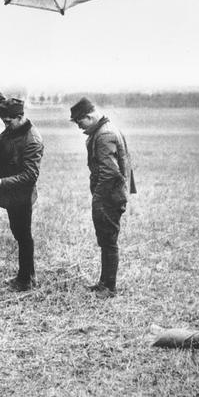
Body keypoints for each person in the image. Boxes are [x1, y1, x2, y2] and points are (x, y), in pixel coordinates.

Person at [0, 62, 44, 291]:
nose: (5, 124)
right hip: (9, 192)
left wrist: (1, 182)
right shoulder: (11, 118)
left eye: (8, 121)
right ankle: (28, 275)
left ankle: (26, 279)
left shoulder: (32, 140)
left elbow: (30, 175)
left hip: (22, 194)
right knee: (18, 233)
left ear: (20, 117)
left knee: (23, 236)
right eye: (3, 120)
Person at [70, 97, 136, 299]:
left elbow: (110, 173)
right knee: (107, 240)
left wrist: (97, 199)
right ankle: (104, 283)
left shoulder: (104, 135)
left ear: (89, 117)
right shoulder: (105, 129)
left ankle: (109, 287)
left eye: (80, 122)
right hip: (111, 195)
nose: (80, 128)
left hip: (109, 197)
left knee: (108, 242)